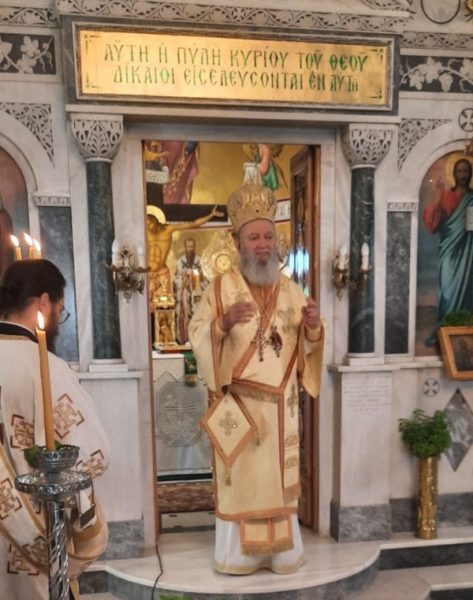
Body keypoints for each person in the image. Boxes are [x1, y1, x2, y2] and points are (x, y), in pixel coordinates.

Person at [188, 180, 324, 575]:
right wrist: (223, 324)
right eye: (254, 237)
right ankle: (238, 557)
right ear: (237, 243)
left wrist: (314, 327)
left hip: (282, 411)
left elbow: (307, 348)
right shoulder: (219, 290)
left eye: (268, 236)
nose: (263, 244)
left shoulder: (293, 291)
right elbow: (196, 333)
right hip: (240, 407)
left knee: (278, 485)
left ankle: (282, 554)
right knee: (242, 485)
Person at [0, 259, 110, 600]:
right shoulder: (47, 368)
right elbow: (95, 455)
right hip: (31, 530)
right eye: (60, 312)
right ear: (44, 302)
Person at [423, 157, 473, 342]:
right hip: (449, 251)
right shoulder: (446, 196)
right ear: (454, 174)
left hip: (469, 252)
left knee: (468, 289)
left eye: (466, 171)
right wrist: (437, 198)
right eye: (459, 171)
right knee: (447, 290)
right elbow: (431, 223)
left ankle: (464, 333)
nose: (463, 175)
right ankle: (446, 331)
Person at [147, 205, 222, 304]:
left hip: (162, 272)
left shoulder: (168, 229)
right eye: (147, 226)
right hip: (147, 272)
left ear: (155, 221)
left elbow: (193, 224)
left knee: (163, 305)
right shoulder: (144, 232)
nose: (150, 228)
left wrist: (211, 214)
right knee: (144, 304)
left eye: (151, 224)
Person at [174, 237, 206, 344]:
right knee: (186, 316)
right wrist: (183, 280)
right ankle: (186, 337)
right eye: (188, 247)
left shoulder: (200, 261)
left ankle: (198, 339)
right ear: (185, 247)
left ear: (194, 247)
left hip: (197, 294)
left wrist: (195, 277)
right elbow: (176, 279)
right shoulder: (180, 262)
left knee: (197, 315)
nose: (190, 249)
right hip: (185, 295)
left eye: (191, 246)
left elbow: (205, 278)